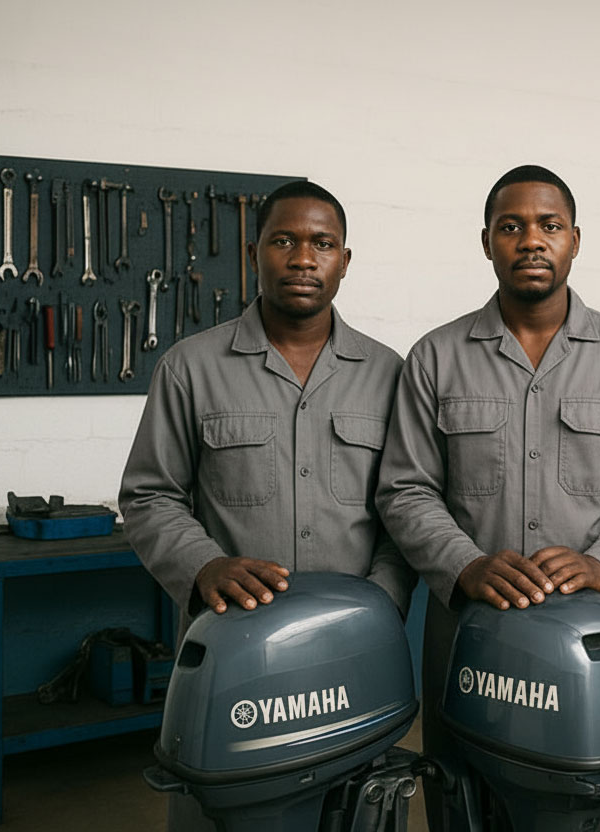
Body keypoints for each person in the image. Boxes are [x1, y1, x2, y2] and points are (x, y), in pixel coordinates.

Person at [376, 165, 600, 831]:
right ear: (486, 241)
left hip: (594, 638)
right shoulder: (435, 357)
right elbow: (405, 488)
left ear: (575, 239)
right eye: (511, 226)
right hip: (467, 635)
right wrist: (465, 564)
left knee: (581, 807)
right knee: (463, 801)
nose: (531, 240)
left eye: (549, 225)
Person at [118, 180, 413, 831]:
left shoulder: (391, 374)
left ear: (344, 260)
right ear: (255, 253)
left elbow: (405, 506)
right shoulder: (191, 368)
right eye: (284, 240)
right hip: (235, 660)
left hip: (354, 655)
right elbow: (148, 495)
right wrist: (202, 565)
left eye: (322, 243)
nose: (303, 258)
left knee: (354, 810)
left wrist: (384, 603)